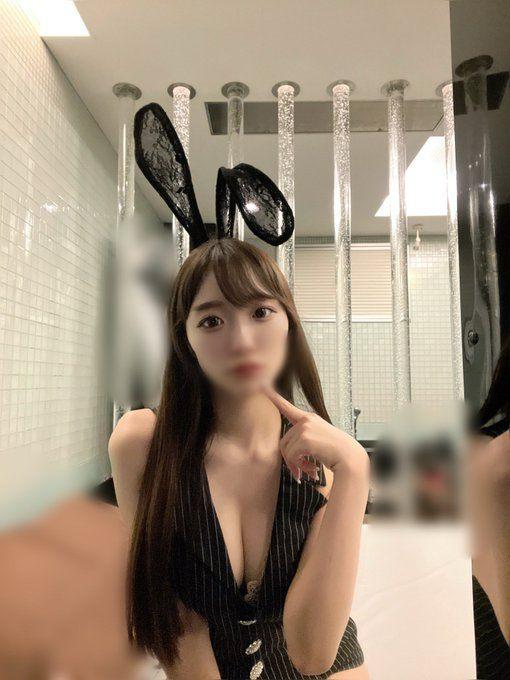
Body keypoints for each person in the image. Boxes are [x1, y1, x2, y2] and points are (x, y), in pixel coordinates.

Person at [109, 102, 370, 679]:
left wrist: (355, 469)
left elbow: (313, 653)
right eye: (211, 319)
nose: (241, 339)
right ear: (184, 339)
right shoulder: (143, 442)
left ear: (288, 323)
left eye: (259, 311)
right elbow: (178, 623)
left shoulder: (320, 459)